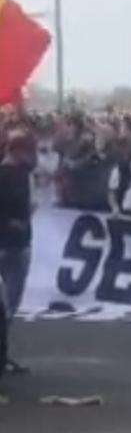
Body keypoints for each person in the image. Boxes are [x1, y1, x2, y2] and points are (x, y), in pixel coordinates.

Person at [0, 129, 33, 375]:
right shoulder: (4, 174)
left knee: (11, 304)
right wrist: (11, 221)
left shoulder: (22, 175)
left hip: (19, 244)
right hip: (6, 244)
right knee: (5, 304)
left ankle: (4, 352)